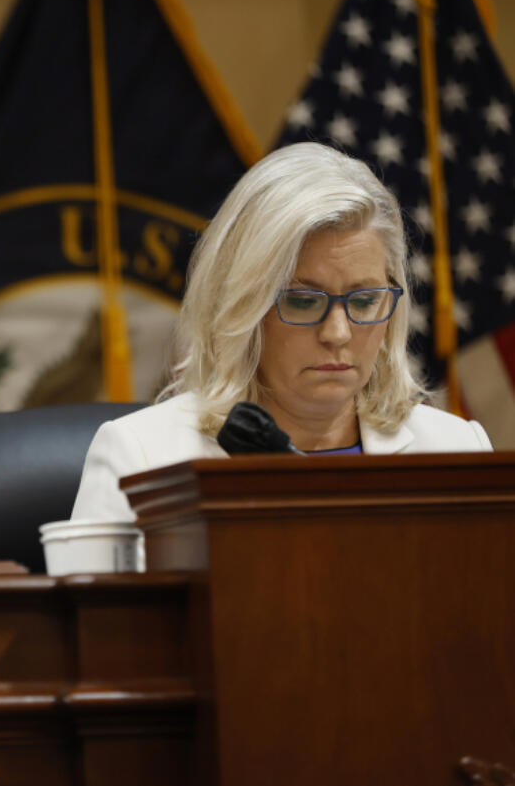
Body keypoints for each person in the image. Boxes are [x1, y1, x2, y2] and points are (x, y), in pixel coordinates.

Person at [71, 142, 492, 523]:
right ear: (241, 308)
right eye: (303, 301)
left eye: (364, 302)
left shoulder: (457, 449)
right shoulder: (138, 458)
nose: (338, 333)